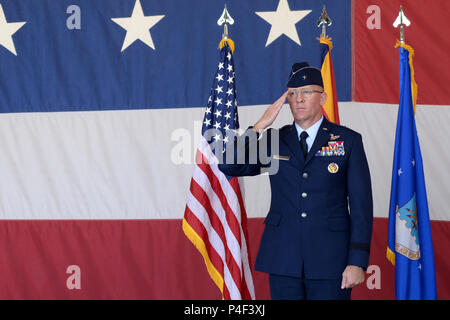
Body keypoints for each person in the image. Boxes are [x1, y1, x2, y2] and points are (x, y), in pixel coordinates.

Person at [218, 62, 373, 300]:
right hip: (283, 258)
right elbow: (229, 164)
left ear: (323, 97)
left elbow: (362, 206)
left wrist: (358, 261)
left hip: (331, 259)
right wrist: (260, 125)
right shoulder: (275, 140)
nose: (299, 99)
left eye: (307, 92)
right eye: (292, 94)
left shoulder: (347, 141)